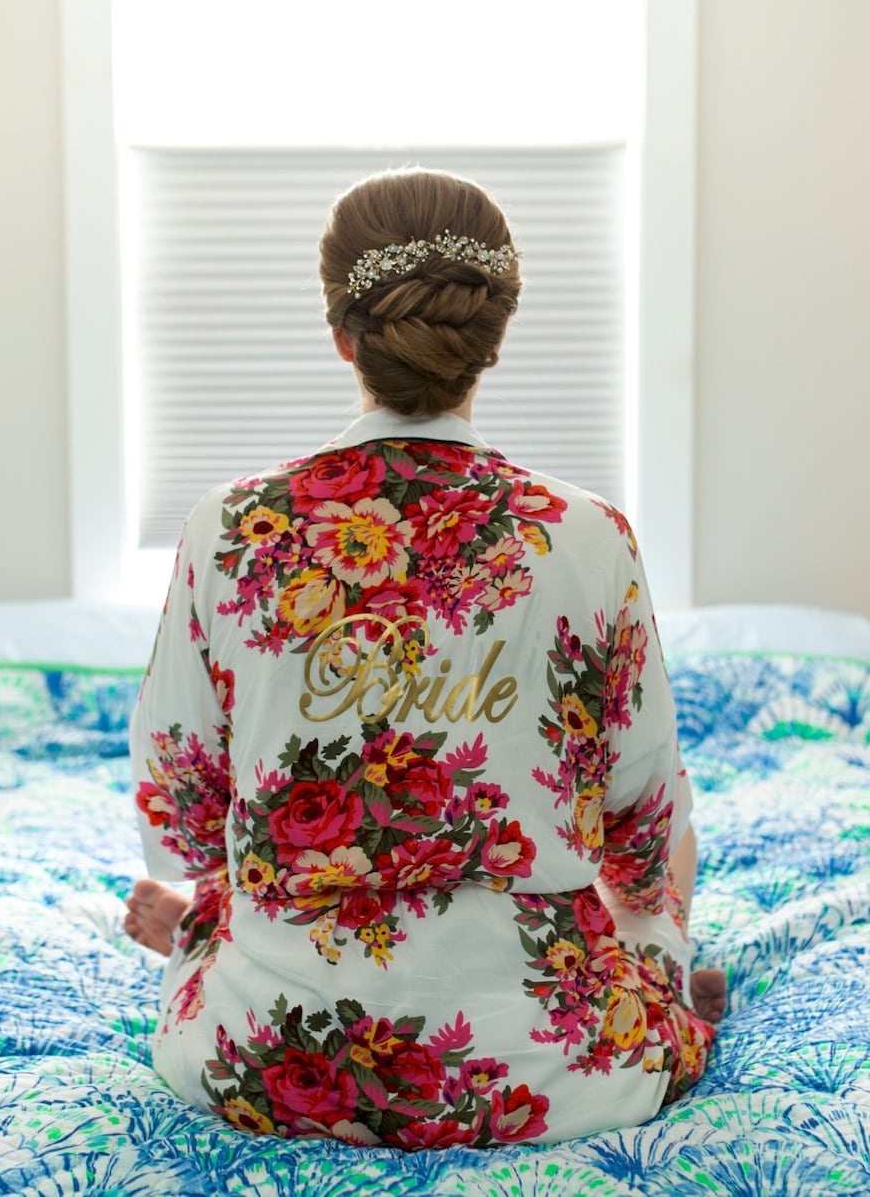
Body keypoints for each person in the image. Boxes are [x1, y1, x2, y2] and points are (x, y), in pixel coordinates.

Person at [123, 168, 723, 1149]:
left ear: (341, 334)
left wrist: (224, 890)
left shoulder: (227, 526)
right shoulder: (586, 535)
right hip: (546, 1068)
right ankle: (668, 983)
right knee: (661, 856)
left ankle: (215, 945)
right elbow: (640, 821)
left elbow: (181, 812)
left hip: (265, 1062)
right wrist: (645, 917)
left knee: (226, 892)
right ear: (494, 337)